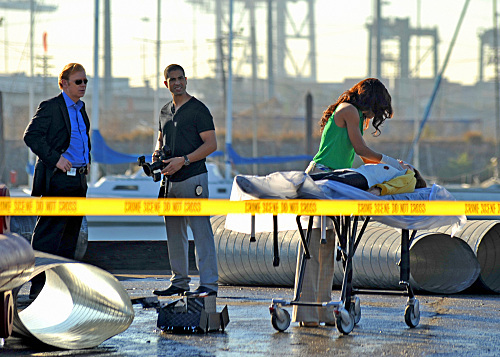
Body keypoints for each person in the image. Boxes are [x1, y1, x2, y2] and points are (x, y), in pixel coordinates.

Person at [294, 78, 401, 327]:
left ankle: (322, 310)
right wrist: (390, 162)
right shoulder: (349, 111)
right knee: (312, 244)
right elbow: (361, 149)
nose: (375, 115)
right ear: (370, 100)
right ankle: (306, 312)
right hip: (320, 176)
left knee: (327, 245)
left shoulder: (354, 114)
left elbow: (358, 156)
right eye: (377, 108)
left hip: (335, 179)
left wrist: (388, 169)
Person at [23, 63, 91, 299]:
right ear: (63, 83)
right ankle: (38, 289)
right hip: (57, 180)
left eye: (85, 81)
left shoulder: (81, 108)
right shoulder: (51, 107)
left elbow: (81, 138)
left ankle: (61, 288)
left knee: (70, 238)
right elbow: (31, 136)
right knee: (48, 236)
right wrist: (56, 160)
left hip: (78, 181)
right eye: (78, 82)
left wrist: (86, 160)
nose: (83, 86)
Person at [152, 64, 219, 297]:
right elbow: (160, 140)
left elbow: (211, 144)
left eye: (181, 78)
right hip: (170, 181)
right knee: (174, 233)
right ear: (166, 84)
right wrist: (156, 154)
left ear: (186, 80)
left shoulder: (199, 110)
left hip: (193, 178)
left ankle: (209, 285)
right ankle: (179, 282)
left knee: (201, 232)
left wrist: (185, 160)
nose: (177, 82)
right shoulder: (164, 111)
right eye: (172, 79)